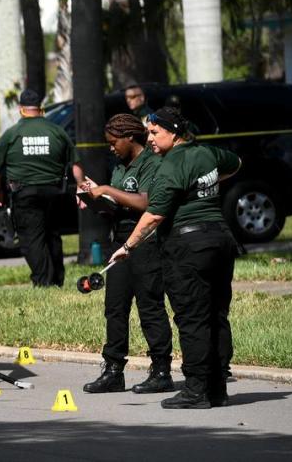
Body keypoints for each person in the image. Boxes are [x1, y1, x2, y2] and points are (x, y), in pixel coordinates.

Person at [109, 97, 241, 409]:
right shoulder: (206, 153)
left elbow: (154, 216)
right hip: (221, 241)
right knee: (216, 314)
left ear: (174, 132)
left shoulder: (170, 167)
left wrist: (127, 247)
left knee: (193, 318)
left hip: (189, 246)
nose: (150, 138)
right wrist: (200, 187)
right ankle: (217, 388)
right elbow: (235, 164)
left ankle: (195, 390)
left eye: (154, 132)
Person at [80, 113, 173, 394]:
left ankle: (160, 370)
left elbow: (146, 203)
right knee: (115, 308)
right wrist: (94, 198)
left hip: (146, 241)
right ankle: (113, 370)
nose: (111, 147)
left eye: (113, 142)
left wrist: (107, 189)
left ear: (130, 137)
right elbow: (118, 205)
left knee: (150, 307)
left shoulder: (151, 163)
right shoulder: (119, 167)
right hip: (119, 241)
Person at [0, 88, 85, 287]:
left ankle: (43, 282)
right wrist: (81, 188)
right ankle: (57, 279)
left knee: (32, 239)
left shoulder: (12, 134)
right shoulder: (56, 131)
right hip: (54, 191)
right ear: (40, 108)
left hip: (24, 193)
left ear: (21, 109)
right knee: (52, 234)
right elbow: (76, 163)